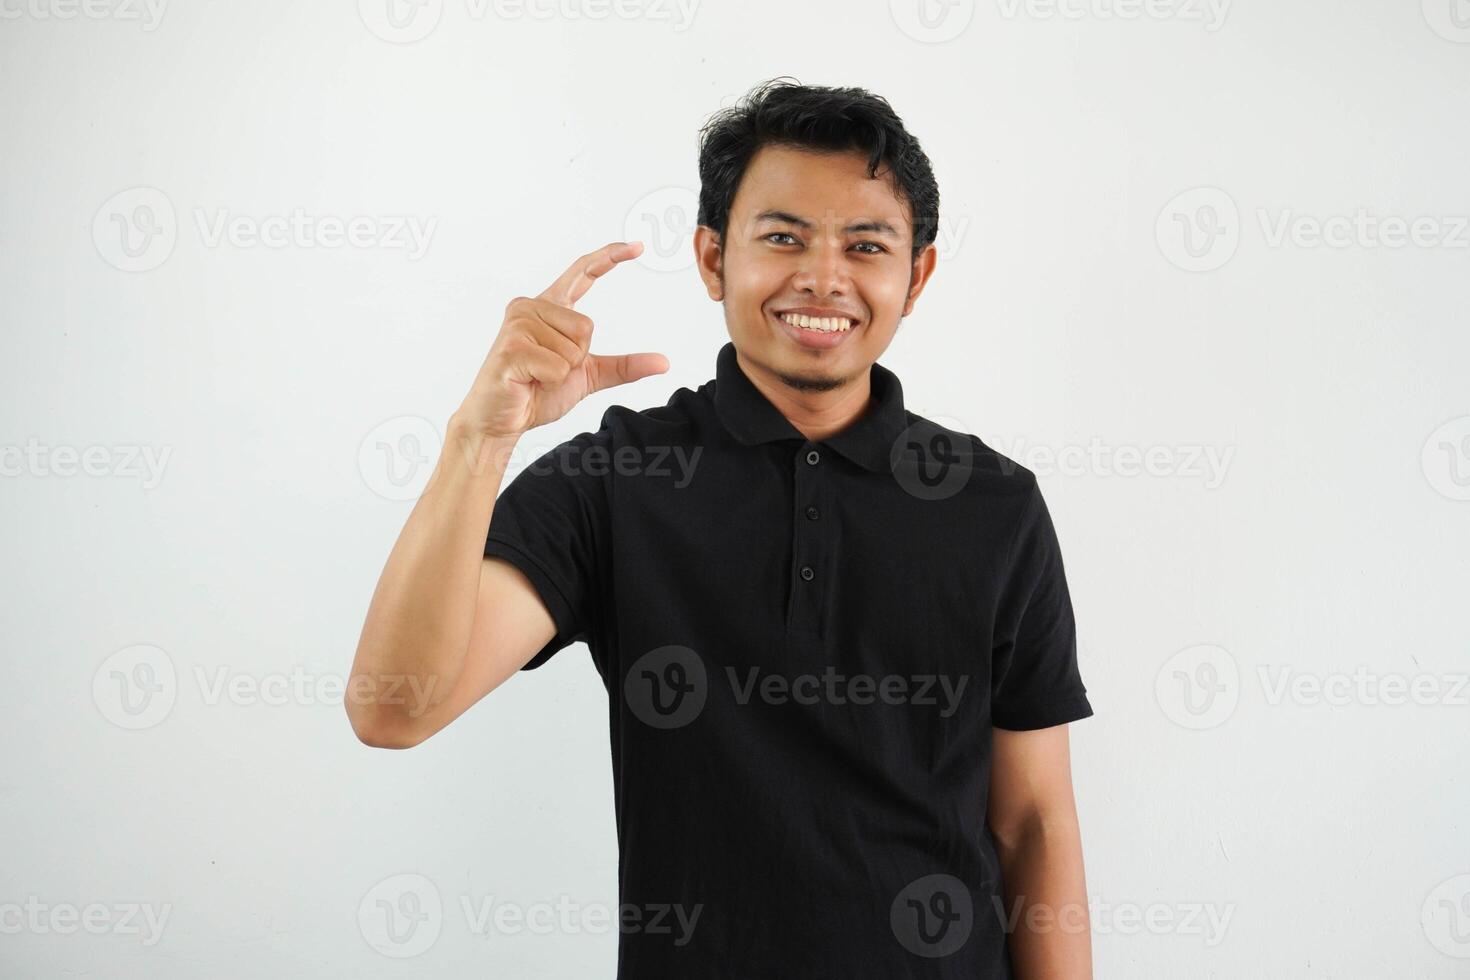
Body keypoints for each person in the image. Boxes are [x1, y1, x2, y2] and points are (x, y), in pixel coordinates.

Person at [347, 78, 1095, 979]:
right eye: (782, 237)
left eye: (866, 245)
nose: (823, 277)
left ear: (917, 275)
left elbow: (1034, 824)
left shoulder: (993, 504)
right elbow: (394, 709)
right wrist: (481, 437)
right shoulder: (616, 480)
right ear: (711, 258)